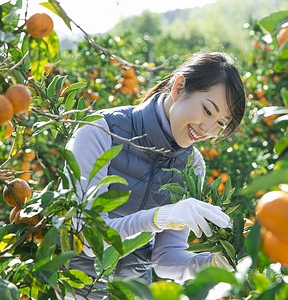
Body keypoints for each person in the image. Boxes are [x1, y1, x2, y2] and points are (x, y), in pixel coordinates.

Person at [64, 52, 246, 298]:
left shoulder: (193, 165)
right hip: (74, 289)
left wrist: (212, 263)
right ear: (179, 87)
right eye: (207, 110)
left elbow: (166, 258)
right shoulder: (99, 131)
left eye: (221, 124)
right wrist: (156, 218)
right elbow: (86, 237)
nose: (207, 129)